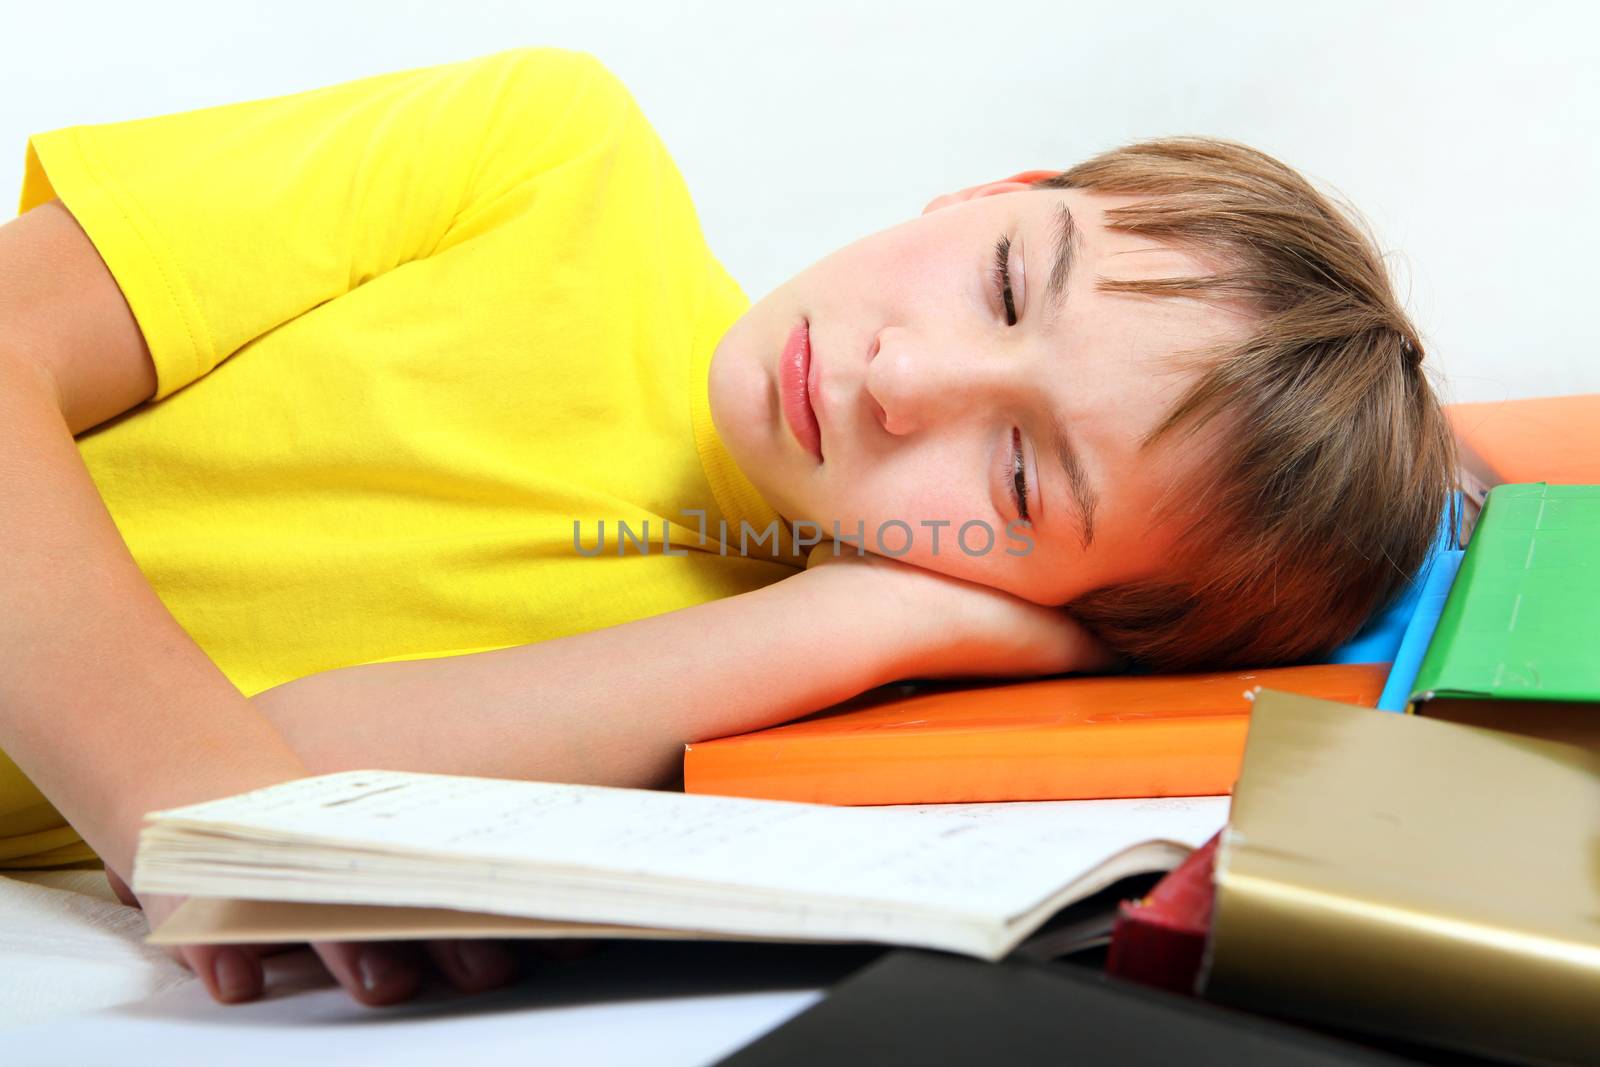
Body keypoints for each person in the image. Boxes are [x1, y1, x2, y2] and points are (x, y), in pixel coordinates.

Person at [0, 47, 1456, 1008]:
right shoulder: (548, 152)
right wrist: (188, 794)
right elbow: (190, 796)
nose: (904, 378)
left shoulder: (740, 686)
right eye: (1008, 285)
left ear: (1060, 623)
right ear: (998, 194)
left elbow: (262, 800)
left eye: (1018, 477)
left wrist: (892, 613)